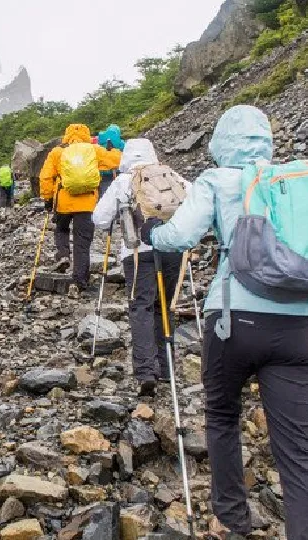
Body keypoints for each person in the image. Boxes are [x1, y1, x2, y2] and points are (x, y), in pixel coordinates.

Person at [140, 105, 308, 540]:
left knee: (223, 415)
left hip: (235, 319)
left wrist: (151, 231)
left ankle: (232, 521)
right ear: (265, 138)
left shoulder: (218, 180)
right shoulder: (294, 181)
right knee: (300, 452)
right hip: (301, 324)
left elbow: (181, 236)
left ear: (221, 141)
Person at [92, 139, 184, 397]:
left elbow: (99, 219)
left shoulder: (123, 181)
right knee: (165, 305)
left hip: (136, 253)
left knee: (141, 306)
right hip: (171, 249)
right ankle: (167, 368)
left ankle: (146, 371)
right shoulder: (169, 174)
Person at [39, 124, 119, 298]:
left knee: (61, 229)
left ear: (67, 135)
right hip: (87, 204)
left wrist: (47, 199)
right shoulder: (94, 150)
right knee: (82, 244)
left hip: (63, 203)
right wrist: (113, 150)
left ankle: (62, 255)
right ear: (86, 135)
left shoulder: (57, 152)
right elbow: (116, 161)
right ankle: (79, 282)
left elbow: (45, 177)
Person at [97, 125, 125, 198]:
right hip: (117, 173)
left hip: (103, 174)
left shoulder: (101, 143)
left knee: (105, 194)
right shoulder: (121, 143)